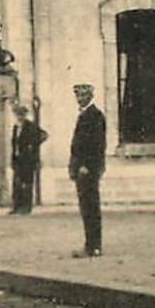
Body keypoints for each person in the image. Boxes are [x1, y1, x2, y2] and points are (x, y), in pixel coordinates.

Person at [68, 83, 106, 257]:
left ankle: (94, 246)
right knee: (86, 207)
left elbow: (97, 145)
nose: (80, 99)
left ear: (90, 96)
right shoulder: (83, 115)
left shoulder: (95, 116)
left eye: (83, 96)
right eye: (78, 96)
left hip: (88, 169)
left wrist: (87, 166)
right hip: (80, 169)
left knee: (91, 207)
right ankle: (89, 244)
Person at [9, 100, 48, 215]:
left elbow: (43, 135)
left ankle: (26, 207)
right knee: (17, 183)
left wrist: (32, 146)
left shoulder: (30, 126)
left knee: (27, 183)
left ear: (25, 115)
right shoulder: (16, 128)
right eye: (17, 114)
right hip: (17, 158)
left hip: (28, 159)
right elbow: (14, 143)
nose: (19, 117)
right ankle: (17, 206)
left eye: (21, 114)